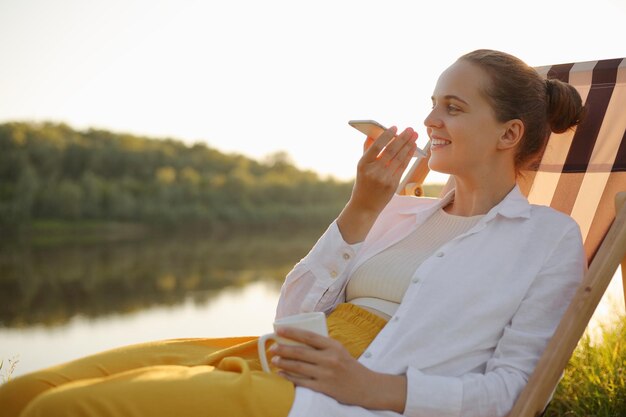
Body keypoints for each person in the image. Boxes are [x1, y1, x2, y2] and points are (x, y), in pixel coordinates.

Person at [0, 49, 586, 417]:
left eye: (453, 108)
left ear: (509, 135)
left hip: (339, 397)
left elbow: (514, 390)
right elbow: (292, 313)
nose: (430, 120)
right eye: (432, 104)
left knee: (75, 409)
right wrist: (361, 206)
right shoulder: (405, 211)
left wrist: (374, 388)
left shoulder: (547, 241)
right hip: (283, 353)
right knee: (25, 395)